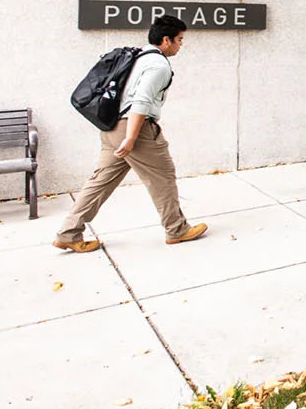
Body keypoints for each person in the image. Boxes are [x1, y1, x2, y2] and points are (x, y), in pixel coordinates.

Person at [55, 15, 208, 252]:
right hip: (135, 130)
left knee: (100, 182)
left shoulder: (137, 56)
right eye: (179, 40)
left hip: (111, 127)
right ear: (166, 40)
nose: (181, 45)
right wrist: (131, 138)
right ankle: (176, 229)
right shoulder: (158, 65)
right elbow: (141, 101)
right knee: (162, 176)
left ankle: (68, 233)